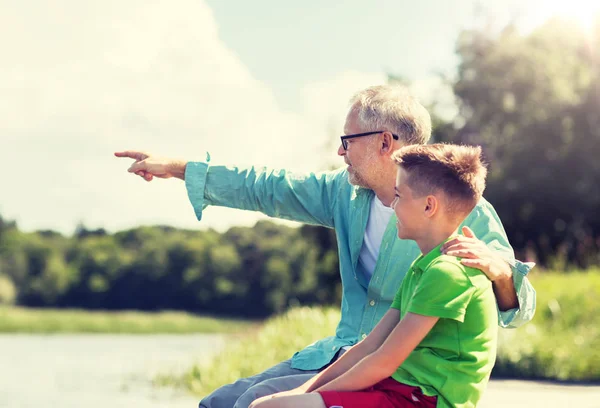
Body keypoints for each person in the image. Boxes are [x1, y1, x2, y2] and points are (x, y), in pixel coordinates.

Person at [115, 84, 536, 408]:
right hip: (339, 355)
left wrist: (500, 273)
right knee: (219, 402)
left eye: (348, 140)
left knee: (252, 403)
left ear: (385, 143)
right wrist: (178, 168)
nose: (340, 151)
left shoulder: (466, 211)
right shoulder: (344, 193)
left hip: (406, 375)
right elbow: (267, 187)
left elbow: (521, 307)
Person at [248, 143, 498, 408]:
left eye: (399, 196)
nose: (391, 203)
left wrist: (306, 398)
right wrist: (305, 388)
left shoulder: (448, 271)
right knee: (269, 404)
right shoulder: (423, 266)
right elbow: (369, 347)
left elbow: (384, 361)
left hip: (422, 400)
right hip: (400, 389)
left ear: (429, 206)